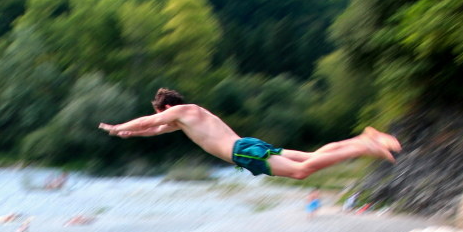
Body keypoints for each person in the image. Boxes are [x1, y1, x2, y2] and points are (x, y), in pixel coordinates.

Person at [98, 88, 401, 180]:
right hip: (246, 146)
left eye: (159, 111)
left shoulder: (184, 111)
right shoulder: (185, 119)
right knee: (311, 156)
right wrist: (133, 135)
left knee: (302, 172)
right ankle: (362, 139)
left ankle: (366, 148)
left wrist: (118, 127)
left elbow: (146, 121)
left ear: (165, 105)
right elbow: (154, 129)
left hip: (242, 152)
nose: (158, 117)